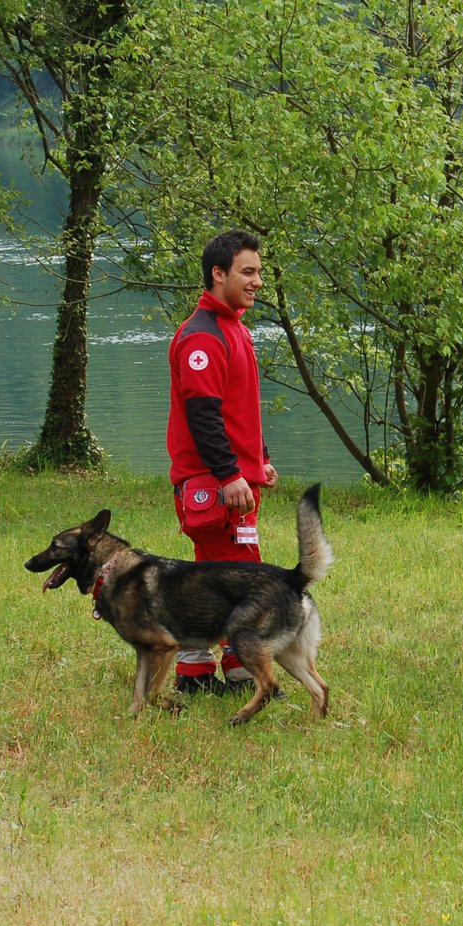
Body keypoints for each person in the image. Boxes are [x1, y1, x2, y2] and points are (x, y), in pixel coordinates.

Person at [166, 229, 279, 694]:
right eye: (247, 272)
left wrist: (259, 460)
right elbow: (204, 416)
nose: (257, 282)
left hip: (235, 481)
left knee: (228, 575)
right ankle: (200, 676)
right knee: (222, 578)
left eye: (258, 272)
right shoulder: (202, 338)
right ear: (218, 274)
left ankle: (227, 670)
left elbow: (239, 409)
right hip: (211, 483)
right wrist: (230, 474)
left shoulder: (233, 328)